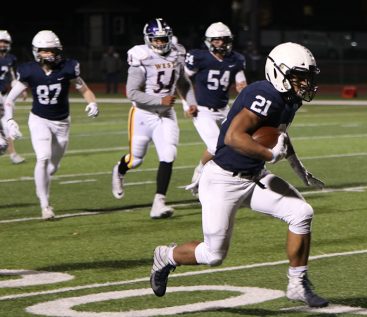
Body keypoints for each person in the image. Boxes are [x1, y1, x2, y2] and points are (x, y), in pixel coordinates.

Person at [149, 42, 328, 308]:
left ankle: (297, 284)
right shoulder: (264, 93)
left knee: (302, 213)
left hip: (255, 177)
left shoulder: (289, 99)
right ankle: (166, 256)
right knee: (213, 255)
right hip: (223, 180)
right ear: (280, 72)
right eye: (299, 76)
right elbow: (234, 137)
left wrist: (299, 169)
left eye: (307, 77)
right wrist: (270, 156)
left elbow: (279, 136)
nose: (304, 83)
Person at [3, 30, 99, 220]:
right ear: (37, 52)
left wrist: (93, 102)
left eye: (52, 50)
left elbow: (85, 89)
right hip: (39, 119)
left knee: (52, 167)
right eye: (45, 51)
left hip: (62, 122)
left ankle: (43, 187)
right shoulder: (29, 70)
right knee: (43, 158)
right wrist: (10, 120)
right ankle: (45, 205)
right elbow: (9, 100)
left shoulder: (68, 67)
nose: (49, 54)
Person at [111, 18, 197, 219]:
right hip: (142, 114)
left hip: (166, 113)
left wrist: (190, 102)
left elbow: (183, 82)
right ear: (148, 39)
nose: (159, 43)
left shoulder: (178, 53)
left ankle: (159, 202)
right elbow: (131, 93)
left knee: (169, 154)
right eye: (156, 39)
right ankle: (120, 169)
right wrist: (160, 99)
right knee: (136, 159)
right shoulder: (141, 56)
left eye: (163, 39)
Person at [183, 22, 247, 196]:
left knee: (237, 143)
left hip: (224, 109)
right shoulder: (199, 57)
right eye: (217, 40)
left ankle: (229, 181)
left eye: (224, 40)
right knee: (215, 146)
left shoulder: (236, 59)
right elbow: (183, 80)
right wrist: (187, 103)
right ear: (209, 41)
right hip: (202, 109)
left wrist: (242, 87)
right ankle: (200, 172)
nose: (221, 43)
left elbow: (241, 82)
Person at [0, 30, 27, 164]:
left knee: (8, 123)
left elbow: (13, 77)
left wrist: (20, 90)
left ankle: (12, 153)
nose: (3, 44)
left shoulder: (11, 58)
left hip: (5, 96)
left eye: (5, 42)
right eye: (1, 41)